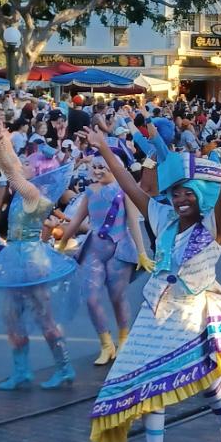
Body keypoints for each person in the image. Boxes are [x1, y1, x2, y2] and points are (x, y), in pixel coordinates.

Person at [86, 126, 221, 442]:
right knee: (152, 393)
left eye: (187, 193)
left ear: (199, 196)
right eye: (175, 192)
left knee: (211, 385)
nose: (180, 199)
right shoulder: (161, 217)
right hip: (154, 317)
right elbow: (129, 186)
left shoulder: (214, 227)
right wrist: (104, 149)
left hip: (192, 316)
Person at [0, 122, 80, 391]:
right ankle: (21, 371)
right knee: (11, 316)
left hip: (32, 259)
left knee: (45, 318)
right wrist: (2, 141)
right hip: (16, 255)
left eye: (29, 163)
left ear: (39, 173)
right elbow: (12, 166)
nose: (23, 163)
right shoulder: (27, 192)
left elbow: (11, 173)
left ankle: (64, 368)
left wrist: (0, 144)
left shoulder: (33, 194)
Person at [60, 146, 152, 365]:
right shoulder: (90, 192)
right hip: (93, 249)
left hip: (119, 249)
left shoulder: (125, 191)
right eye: (95, 167)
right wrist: (62, 243)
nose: (98, 171)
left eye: (103, 166)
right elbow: (76, 220)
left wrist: (142, 252)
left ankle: (124, 338)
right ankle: (106, 344)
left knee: (117, 297)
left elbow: (133, 222)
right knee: (90, 298)